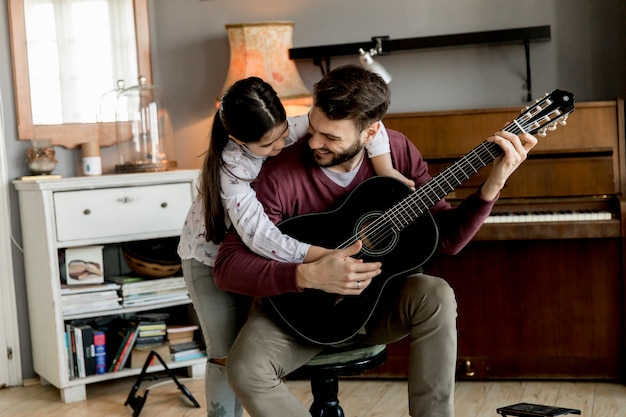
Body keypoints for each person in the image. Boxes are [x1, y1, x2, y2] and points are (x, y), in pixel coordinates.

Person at [212, 65, 538, 417]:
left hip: (379, 303)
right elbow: (228, 267)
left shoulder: (397, 151)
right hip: (300, 313)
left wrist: (493, 185)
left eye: (332, 138)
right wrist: (308, 275)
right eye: (314, 127)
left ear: (370, 133)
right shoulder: (278, 171)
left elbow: (446, 239)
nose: (314, 142)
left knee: (436, 294)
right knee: (246, 369)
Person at [177, 76, 414, 417]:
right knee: (225, 354)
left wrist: (386, 171)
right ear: (238, 139)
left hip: (263, 256)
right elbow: (261, 236)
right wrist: (318, 257)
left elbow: (367, 121)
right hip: (212, 257)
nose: (280, 147)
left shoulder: (291, 129)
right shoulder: (232, 168)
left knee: (254, 354)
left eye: (283, 134)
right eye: (267, 146)